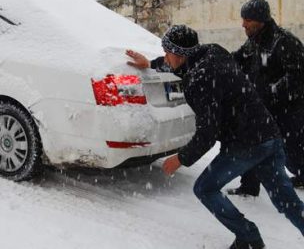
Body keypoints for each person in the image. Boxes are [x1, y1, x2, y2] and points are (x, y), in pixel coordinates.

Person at [126, 25, 304, 249]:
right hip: (268, 134)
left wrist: (181, 158)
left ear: (179, 54)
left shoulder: (199, 80)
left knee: (205, 188)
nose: (164, 55)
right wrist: (151, 64)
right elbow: (180, 63)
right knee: (285, 199)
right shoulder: (212, 51)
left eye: (166, 51)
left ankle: (248, 238)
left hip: (245, 144)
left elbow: (207, 133)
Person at [228, 0, 304, 197]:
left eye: (247, 19)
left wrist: (271, 93)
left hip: (288, 110)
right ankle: (249, 187)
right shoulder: (253, 41)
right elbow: (238, 59)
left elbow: (297, 75)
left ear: (260, 19)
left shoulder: (284, 41)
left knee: (294, 149)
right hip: (262, 107)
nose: (243, 24)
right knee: (251, 143)